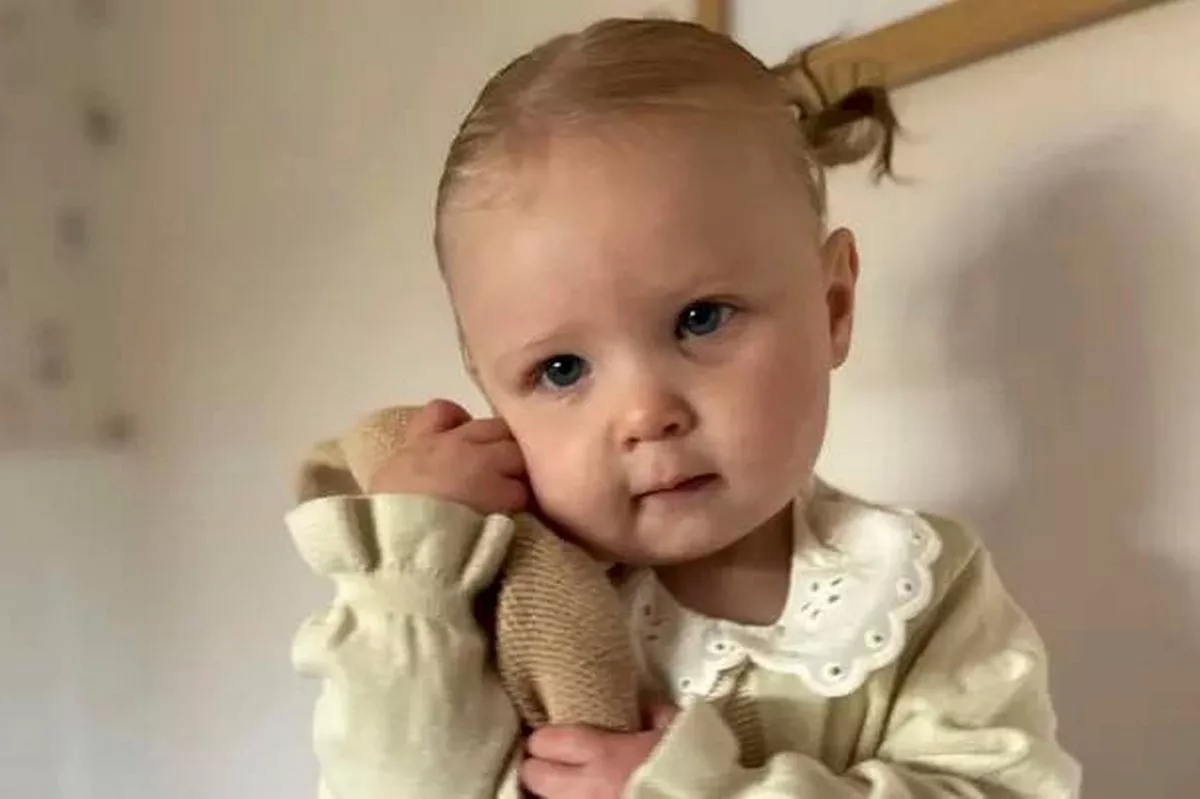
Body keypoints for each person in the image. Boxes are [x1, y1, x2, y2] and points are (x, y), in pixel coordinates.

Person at [286, 17, 1081, 799]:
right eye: (562, 369)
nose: (644, 413)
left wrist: (702, 789)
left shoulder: (915, 586)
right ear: (492, 391)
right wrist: (409, 581)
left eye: (701, 319)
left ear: (832, 305)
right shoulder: (480, 595)